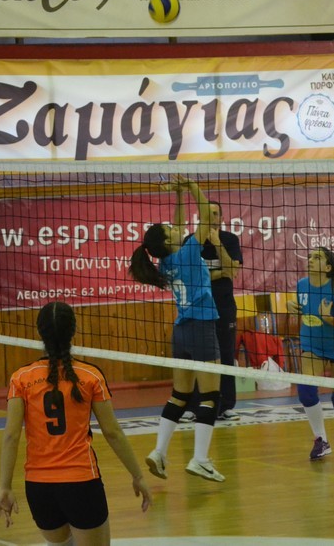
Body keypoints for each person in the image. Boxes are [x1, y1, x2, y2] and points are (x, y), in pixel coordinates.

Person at [0, 302, 151, 546]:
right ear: (74, 331)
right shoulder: (90, 376)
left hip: (39, 487)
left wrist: (4, 487)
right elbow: (112, 432)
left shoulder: (21, 378)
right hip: (81, 483)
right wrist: (138, 475)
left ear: (39, 333)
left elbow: (11, 436)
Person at [129, 174, 233, 483]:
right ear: (168, 241)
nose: (177, 228)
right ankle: (200, 459)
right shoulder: (187, 253)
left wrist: (177, 196)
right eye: (171, 229)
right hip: (201, 327)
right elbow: (206, 215)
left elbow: (179, 224)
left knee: (179, 395)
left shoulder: (165, 262)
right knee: (210, 396)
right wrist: (192, 187)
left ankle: (159, 452)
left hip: (181, 333)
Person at [285, 246, 334, 460]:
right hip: (312, 345)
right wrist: (291, 305)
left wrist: (329, 318)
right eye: (310, 256)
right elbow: (304, 308)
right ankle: (321, 440)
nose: (310, 259)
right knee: (306, 391)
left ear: (328, 267)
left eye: (317, 257)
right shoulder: (302, 285)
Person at [183, 201, 244, 422]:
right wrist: (220, 273)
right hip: (197, 307)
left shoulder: (230, 240)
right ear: (200, 217)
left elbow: (232, 271)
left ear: (222, 218)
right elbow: (191, 277)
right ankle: (193, 406)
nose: (213, 217)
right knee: (197, 357)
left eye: (216, 213)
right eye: (208, 213)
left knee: (226, 355)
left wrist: (218, 245)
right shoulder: (190, 242)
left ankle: (226, 406)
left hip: (224, 307)